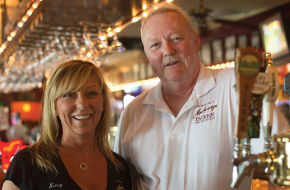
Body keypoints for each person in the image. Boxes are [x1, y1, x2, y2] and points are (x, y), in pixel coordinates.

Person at [114, 2, 289, 190]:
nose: (167, 50)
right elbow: (120, 181)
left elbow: (281, 162)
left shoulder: (238, 86)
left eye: (176, 38)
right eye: (155, 45)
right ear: (147, 54)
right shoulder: (133, 112)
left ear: (196, 41)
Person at [2, 60, 132, 190]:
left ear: (103, 102)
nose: (82, 104)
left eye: (91, 93)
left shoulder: (119, 167)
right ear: (54, 107)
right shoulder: (27, 164)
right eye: (69, 94)